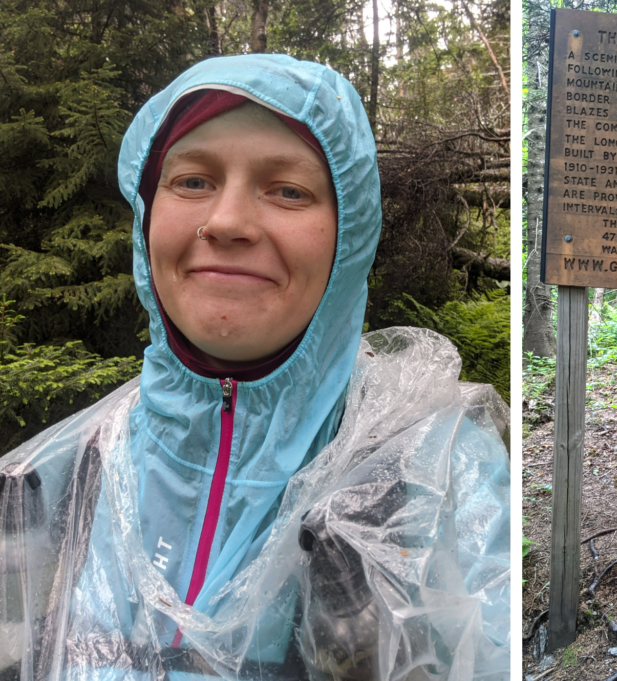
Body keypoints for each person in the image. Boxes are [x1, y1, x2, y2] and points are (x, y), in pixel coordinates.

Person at [0, 55, 512, 679]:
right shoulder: (60, 473)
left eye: (287, 190)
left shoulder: (434, 469)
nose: (227, 222)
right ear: (145, 217)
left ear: (348, 234)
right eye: (192, 181)